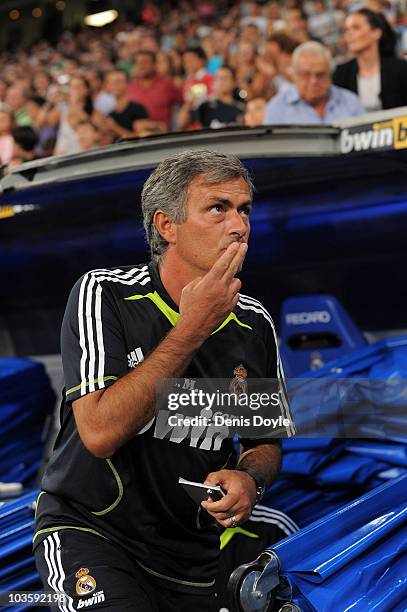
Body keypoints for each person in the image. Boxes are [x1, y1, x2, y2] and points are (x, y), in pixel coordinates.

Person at [33, 149, 294, 611]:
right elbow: (99, 432)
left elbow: (264, 442)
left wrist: (249, 479)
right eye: (217, 208)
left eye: (244, 210)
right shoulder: (105, 294)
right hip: (91, 531)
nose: (239, 226)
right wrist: (194, 326)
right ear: (166, 225)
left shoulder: (255, 324)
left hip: (189, 555)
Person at [264, 41, 365, 125]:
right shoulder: (277, 109)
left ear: (330, 74)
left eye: (320, 74)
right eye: (306, 74)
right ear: (294, 75)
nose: (313, 81)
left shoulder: (351, 103)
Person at [333, 8, 407, 111]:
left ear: (376, 33)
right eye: (347, 30)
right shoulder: (341, 74)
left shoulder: (401, 69)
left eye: (356, 28)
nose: (349, 34)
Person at [128, 51, 183, 129]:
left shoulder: (167, 84)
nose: (141, 66)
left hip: (162, 136)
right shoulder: (131, 87)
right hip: (137, 137)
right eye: (137, 63)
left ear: (154, 64)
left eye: (145, 62)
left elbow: (184, 104)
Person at [105, 69, 149, 139]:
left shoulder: (138, 109)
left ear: (128, 84)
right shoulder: (110, 114)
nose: (114, 85)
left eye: (118, 82)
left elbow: (142, 139)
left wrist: (114, 128)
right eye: (110, 82)